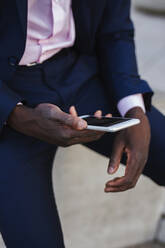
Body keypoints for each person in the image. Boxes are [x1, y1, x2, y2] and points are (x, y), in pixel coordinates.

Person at [0, 0, 164, 247]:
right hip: (6, 90)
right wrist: (16, 114)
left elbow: (115, 30)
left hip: (74, 70)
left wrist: (134, 109)